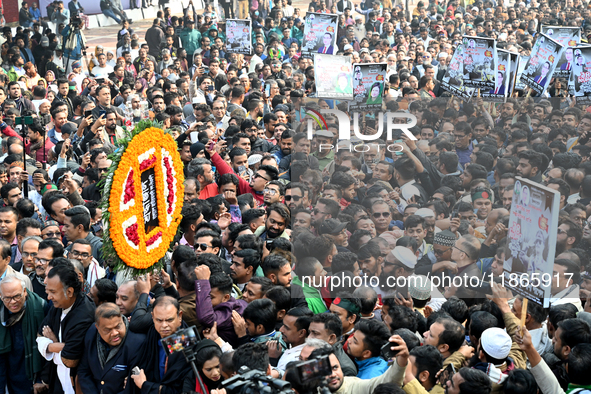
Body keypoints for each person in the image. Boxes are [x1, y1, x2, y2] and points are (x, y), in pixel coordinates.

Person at [37, 259, 96, 394]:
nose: (49, 297)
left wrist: (51, 344)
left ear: (69, 292)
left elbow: (70, 360)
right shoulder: (59, 304)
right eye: (47, 291)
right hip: (57, 378)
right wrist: (61, 346)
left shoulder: (84, 315)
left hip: (77, 382)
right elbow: (40, 334)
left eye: (53, 292)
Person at [78, 303, 147, 394]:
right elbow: (84, 371)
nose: (114, 333)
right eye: (108, 330)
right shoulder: (91, 333)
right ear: (97, 327)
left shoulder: (137, 343)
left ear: (122, 319)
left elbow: (132, 387)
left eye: (118, 326)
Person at [0, 274, 47, 394]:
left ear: (25, 292)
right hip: (7, 373)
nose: (13, 302)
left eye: (17, 296)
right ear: (1, 297)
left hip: (32, 376)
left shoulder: (40, 307)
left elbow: (47, 347)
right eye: (7, 298)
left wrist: (42, 378)